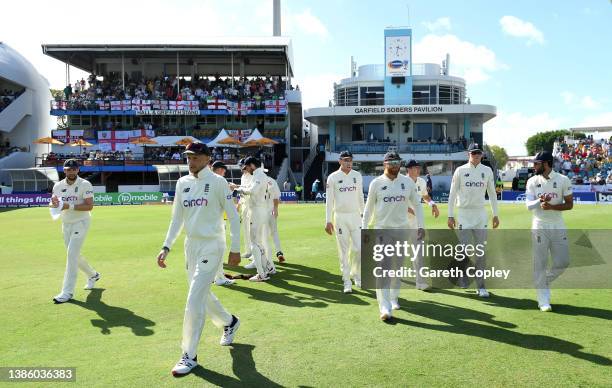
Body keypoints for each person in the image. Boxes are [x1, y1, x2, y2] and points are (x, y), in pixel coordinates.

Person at [156, 142, 241, 376]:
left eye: (195, 157)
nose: (190, 162)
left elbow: (233, 216)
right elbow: (176, 219)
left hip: (212, 244)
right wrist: (166, 246)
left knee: (193, 299)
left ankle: (189, 354)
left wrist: (235, 248)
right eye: (188, 158)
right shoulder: (183, 183)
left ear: (206, 158)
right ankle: (229, 322)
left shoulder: (218, 182)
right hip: (190, 245)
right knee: (201, 294)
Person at [362, 151, 425, 321]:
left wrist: (421, 226)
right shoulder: (376, 183)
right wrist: (364, 229)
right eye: (392, 163)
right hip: (382, 230)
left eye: (397, 163)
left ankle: (394, 297)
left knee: (398, 267)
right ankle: (384, 307)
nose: (395, 166)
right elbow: (368, 209)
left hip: (402, 230)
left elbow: (418, 206)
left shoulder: (407, 183)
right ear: (385, 164)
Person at [447, 143, 500, 298]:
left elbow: (492, 193)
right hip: (463, 214)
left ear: (482, 154)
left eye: (478, 153)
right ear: (468, 154)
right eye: (473, 153)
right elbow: (452, 193)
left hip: (480, 215)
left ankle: (481, 286)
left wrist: (495, 214)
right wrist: (450, 215)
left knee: (480, 252)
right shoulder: (460, 170)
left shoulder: (487, 170)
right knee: (463, 251)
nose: (476, 155)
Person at [525, 151, 573, 312]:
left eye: (536, 163)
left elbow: (569, 204)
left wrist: (552, 206)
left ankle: (543, 281)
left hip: (558, 225)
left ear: (546, 164)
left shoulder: (563, 180)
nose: (534, 166)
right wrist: (540, 200)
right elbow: (528, 205)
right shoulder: (532, 181)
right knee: (540, 263)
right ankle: (543, 300)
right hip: (539, 226)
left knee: (563, 262)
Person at [49, 159, 100, 304]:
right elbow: (55, 203)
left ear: (78, 170)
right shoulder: (58, 186)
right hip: (66, 224)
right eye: (68, 169)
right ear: (64, 171)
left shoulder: (85, 184)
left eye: (73, 169)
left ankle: (67, 292)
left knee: (71, 255)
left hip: (81, 222)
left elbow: (89, 206)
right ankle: (93, 275)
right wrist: (54, 204)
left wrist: (68, 206)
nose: (71, 171)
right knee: (74, 255)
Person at [325, 150, 364, 293]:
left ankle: (357, 274)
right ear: (340, 161)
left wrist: (363, 215)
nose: (349, 163)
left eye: (350, 160)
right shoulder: (333, 177)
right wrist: (328, 220)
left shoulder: (357, 175)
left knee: (359, 248)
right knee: (343, 250)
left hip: (355, 216)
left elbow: (360, 197)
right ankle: (346, 280)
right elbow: (329, 201)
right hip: (340, 217)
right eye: (346, 160)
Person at [230, 156, 275, 281]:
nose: (245, 169)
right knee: (258, 242)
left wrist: (237, 189)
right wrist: (240, 188)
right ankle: (268, 266)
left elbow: (253, 191)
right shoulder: (258, 175)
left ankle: (262, 274)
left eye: (246, 167)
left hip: (256, 210)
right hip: (258, 210)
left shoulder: (259, 175)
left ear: (252, 165)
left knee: (254, 243)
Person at [405, 160, 439, 291]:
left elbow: (425, 196)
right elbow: (399, 202)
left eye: (418, 167)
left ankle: (420, 281)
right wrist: (412, 211)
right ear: (408, 169)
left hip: (416, 223)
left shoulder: (422, 182)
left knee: (418, 252)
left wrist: (433, 205)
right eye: (415, 168)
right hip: (400, 222)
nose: (418, 170)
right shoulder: (401, 182)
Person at [211, 161, 236, 287]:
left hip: (204, 222)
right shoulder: (220, 181)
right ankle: (219, 277)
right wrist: (230, 190)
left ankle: (212, 275)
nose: (224, 173)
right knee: (219, 250)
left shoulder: (204, 179)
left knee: (209, 251)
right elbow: (224, 203)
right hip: (217, 221)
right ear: (220, 170)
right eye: (224, 171)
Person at [264, 174, 285, 263]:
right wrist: (276, 210)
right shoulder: (272, 180)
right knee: (274, 232)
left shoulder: (256, 180)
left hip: (261, 211)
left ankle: (264, 255)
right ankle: (279, 252)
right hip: (272, 210)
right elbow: (276, 198)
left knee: (262, 234)